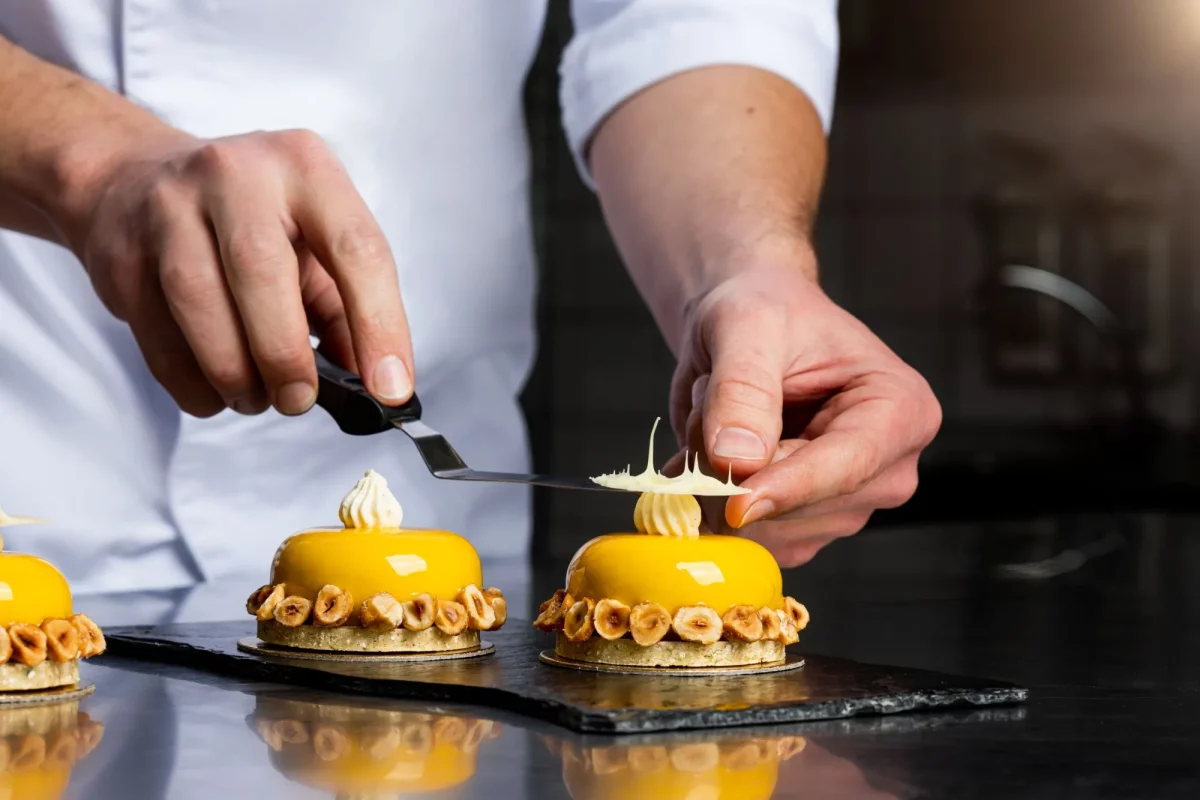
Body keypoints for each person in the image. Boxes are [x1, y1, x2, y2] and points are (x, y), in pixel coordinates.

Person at [0, 2, 940, 595]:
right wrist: (82, 157)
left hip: (436, 571)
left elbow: (695, 19)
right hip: (36, 458)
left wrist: (749, 267)